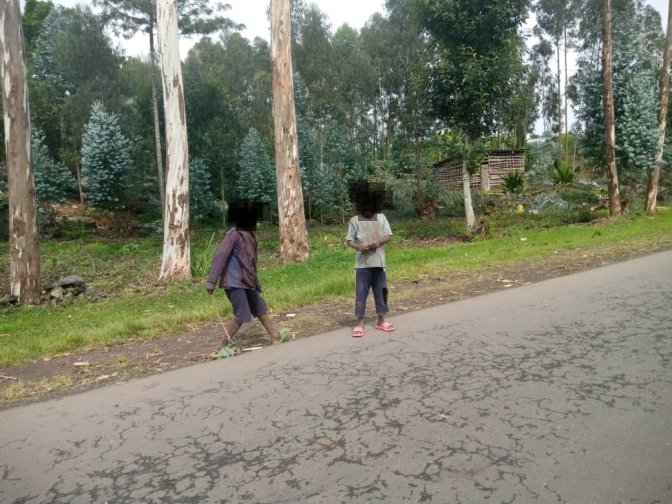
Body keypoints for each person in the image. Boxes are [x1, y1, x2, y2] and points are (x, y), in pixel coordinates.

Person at [205, 200, 281, 357]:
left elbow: (251, 263)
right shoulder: (233, 234)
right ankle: (218, 348)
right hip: (234, 282)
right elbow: (220, 256)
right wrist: (211, 280)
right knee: (242, 315)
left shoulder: (251, 236)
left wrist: (256, 283)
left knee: (260, 308)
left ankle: (275, 336)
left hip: (247, 281)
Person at [346, 181, 395, 337]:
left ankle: (381, 320)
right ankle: (360, 323)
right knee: (361, 293)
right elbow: (349, 241)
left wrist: (378, 242)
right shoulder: (354, 220)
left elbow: (389, 236)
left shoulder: (381, 218)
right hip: (362, 265)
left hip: (379, 262)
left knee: (381, 291)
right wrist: (359, 246)